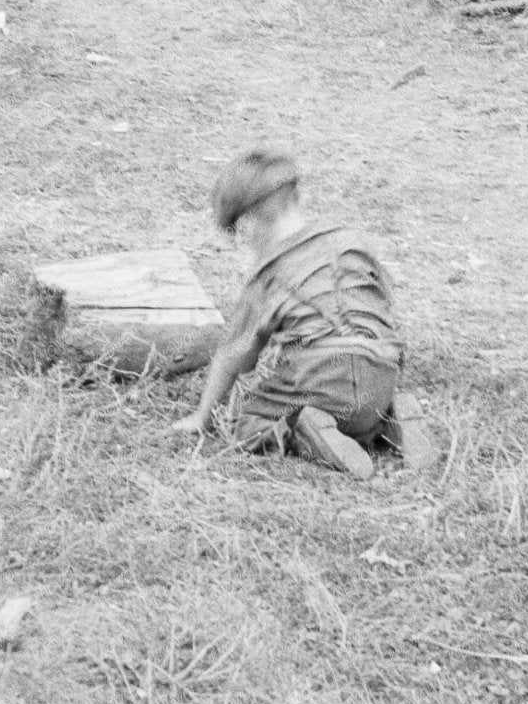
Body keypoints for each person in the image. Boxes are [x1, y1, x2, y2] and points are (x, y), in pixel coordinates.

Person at [169, 149, 424, 481]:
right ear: (297, 195)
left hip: (324, 379)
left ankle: (308, 432)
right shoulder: (349, 242)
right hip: (381, 374)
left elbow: (234, 357)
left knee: (243, 421)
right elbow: (384, 309)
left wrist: (202, 416)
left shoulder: (269, 275)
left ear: (248, 221)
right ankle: (391, 418)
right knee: (359, 403)